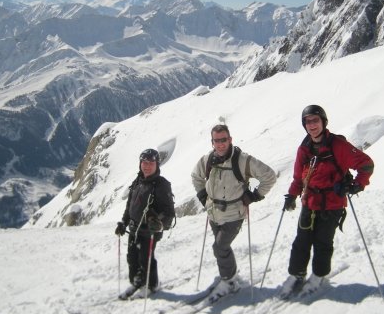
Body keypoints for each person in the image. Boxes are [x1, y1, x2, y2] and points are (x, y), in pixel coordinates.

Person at [281, 104, 374, 297]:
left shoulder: (338, 146)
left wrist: (358, 184)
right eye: (308, 121)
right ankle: (296, 274)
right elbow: (298, 178)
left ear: (323, 122)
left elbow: (366, 164)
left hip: (332, 203)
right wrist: (292, 195)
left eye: (315, 120)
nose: (312, 125)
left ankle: (318, 276)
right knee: (302, 241)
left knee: (323, 242)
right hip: (310, 201)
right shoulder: (304, 148)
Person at [191, 124, 276, 299]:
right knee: (222, 247)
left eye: (224, 140)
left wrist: (254, 196)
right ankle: (230, 274)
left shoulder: (242, 160)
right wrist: (203, 197)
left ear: (230, 140)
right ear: (212, 142)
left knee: (220, 247)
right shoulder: (207, 159)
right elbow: (196, 176)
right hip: (213, 212)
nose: (220, 144)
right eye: (217, 140)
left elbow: (269, 176)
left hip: (234, 214)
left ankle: (229, 281)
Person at [115, 148, 176, 300]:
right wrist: (124, 222)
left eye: (150, 163)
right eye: (144, 162)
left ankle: (150, 285)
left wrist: (159, 223)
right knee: (132, 258)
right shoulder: (138, 181)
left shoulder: (161, 185)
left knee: (145, 258)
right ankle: (137, 282)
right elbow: (130, 205)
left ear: (157, 164)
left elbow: (169, 212)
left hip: (149, 231)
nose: (147, 166)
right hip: (134, 228)